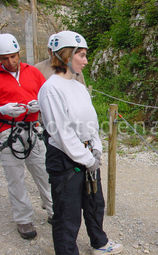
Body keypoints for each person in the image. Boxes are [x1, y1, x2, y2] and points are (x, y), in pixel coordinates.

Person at [38, 30, 123, 255]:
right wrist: (87, 158)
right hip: (65, 158)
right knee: (68, 213)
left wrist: (96, 148)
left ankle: (99, 242)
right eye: (82, 55)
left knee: (95, 203)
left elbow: (91, 123)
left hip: (86, 154)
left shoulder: (79, 87)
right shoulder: (51, 89)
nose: (86, 61)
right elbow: (62, 134)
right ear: (66, 55)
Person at [0, 33, 53, 239]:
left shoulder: (32, 72)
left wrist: (40, 105)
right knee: (15, 179)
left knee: (44, 172)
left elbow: (46, 94)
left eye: (13, 56)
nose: (10, 62)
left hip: (33, 128)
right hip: (7, 132)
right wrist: (2, 109)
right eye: (4, 58)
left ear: (18, 53)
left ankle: (53, 209)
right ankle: (24, 219)